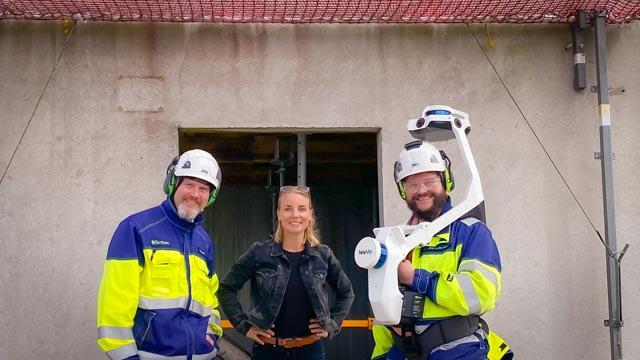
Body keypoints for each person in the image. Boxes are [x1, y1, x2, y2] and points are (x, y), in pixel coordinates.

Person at [371, 140, 512, 360]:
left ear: (446, 181)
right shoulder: (397, 241)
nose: (421, 190)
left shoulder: (471, 232)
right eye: (412, 184)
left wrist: (415, 277)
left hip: (461, 353)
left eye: (430, 181)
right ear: (402, 190)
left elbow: (480, 294)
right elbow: (382, 312)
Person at [96, 149, 224, 360]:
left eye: (203, 188)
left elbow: (211, 298)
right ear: (172, 184)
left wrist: (211, 335)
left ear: (210, 197)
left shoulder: (203, 241)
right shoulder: (136, 228)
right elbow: (114, 305)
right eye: (189, 184)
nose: (195, 194)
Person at [218, 185, 355, 360]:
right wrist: (244, 326)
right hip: (267, 351)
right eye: (288, 209)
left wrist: (332, 324)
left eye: (302, 209)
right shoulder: (259, 253)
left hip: (310, 351)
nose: (295, 215)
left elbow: (347, 292)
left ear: (310, 214)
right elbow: (226, 288)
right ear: (279, 214)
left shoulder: (323, 255)